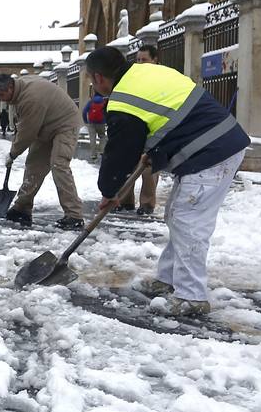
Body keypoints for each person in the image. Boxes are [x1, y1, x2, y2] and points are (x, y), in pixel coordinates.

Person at [87, 46, 249, 315]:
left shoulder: (123, 100)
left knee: (189, 221)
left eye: (92, 80)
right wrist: (158, 151)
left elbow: (120, 154)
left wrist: (109, 190)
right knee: (176, 215)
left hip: (211, 150)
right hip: (217, 141)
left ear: (99, 77)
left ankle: (192, 296)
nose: (93, 85)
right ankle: (168, 279)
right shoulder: (146, 72)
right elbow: (172, 115)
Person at [0, 71, 84, 229]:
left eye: (1, 94)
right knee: (34, 165)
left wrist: (13, 153)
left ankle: (74, 215)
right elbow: (25, 125)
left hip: (65, 124)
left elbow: (28, 132)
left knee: (59, 165)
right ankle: (22, 208)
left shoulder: (30, 98)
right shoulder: (21, 89)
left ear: (10, 87)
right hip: (45, 125)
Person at [118, 44, 161, 214]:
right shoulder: (132, 77)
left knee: (149, 168)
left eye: (144, 60)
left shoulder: (162, 78)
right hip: (133, 125)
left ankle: (147, 204)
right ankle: (125, 201)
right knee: (127, 164)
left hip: (154, 126)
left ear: (155, 60)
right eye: (137, 60)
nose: (140, 63)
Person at [83, 91, 108, 161]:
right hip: (101, 123)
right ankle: (102, 150)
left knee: (92, 138)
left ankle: (93, 155)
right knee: (102, 136)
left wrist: (85, 121)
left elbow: (84, 111)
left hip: (91, 123)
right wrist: (106, 120)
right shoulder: (103, 102)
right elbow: (107, 112)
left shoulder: (91, 102)